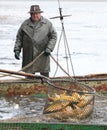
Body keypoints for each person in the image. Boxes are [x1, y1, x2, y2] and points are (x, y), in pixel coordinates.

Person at [14, 5, 57, 77]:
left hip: (43, 54)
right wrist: (17, 49)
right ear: (30, 14)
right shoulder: (25, 24)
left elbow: (54, 36)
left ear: (40, 13)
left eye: (37, 13)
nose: (35, 15)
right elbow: (19, 37)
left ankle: (46, 87)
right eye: (33, 14)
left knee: (45, 77)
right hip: (28, 56)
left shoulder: (47, 24)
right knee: (29, 78)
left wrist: (49, 48)